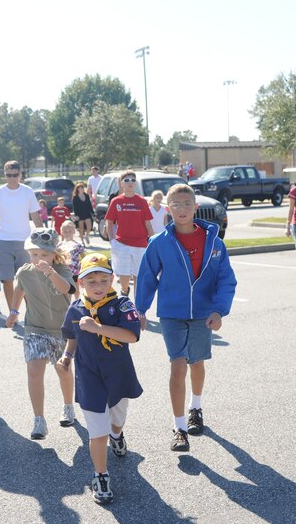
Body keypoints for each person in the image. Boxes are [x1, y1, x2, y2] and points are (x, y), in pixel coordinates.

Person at [135, 184, 237, 452]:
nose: (181, 209)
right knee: (178, 365)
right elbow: (147, 277)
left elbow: (226, 280)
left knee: (197, 363)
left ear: (195, 207)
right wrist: (141, 309)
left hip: (203, 314)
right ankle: (179, 428)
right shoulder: (159, 243)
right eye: (176, 205)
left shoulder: (214, 243)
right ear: (168, 209)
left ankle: (196, 407)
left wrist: (219, 310)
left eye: (186, 204)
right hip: (172, 314)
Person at [58, 253, 143, 505]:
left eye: (103, 280)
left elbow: (131, 336)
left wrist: (98, 328)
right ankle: (101, 475)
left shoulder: (122, 304)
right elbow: (72, 336)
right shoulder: (75, 308)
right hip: (89, 378)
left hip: (118, 375)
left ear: (112, 279)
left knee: (116, 421)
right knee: (97, 432)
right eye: (91, 281)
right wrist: (66, 356)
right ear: (81, 283)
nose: (98, 286)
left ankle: (118, 435)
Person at [5, 228, 77, 439]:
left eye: (44, 254)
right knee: (34, 372)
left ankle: (68, 406)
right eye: (34, 254)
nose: (39, 259)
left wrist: (50, 272)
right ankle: (39, 420)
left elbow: (66, 289)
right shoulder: (24, 272)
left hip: (61, 330)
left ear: (54, 254)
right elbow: (20, 289)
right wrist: (14, 312)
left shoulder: (62, 270)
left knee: (63, 370)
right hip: (35, 329)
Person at [0, 160, 43, 316]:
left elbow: (36, 217)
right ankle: (13, 312)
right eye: (9, 175)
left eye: (15, 175)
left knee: (26, 279)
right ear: (5, 175)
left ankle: (30, 313)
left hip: (25, 241)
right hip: (3, 240)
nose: (12, 178)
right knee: (6, 279)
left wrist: (43, 239)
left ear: (20, 174)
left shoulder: (27, 192)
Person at [104, 169, 154, 297]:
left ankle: (138, 303)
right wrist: (112, 240)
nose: (130, 182)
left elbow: (147, 222)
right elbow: (109, 222)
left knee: (139, 274)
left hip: (141, 244)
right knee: (124, 275)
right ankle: (125, 292)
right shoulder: (116, 201)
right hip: (122, 244)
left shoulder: (142, 201)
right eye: (127, 180)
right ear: (121, 184)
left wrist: (153, 240)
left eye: (133, 180)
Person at [59, 220, 86, 296]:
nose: (67, 233)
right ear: (61, 232)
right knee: (66, 290)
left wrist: (84, 268)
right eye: (65, 231)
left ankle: (76, 303)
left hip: (74, 271)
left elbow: (84, 258)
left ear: (74, 232)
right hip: (63, 271)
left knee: (76, 290)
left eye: (70, 231)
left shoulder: (77, 245)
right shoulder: (59, 245)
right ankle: (67, 305)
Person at [71, 182, 95, 246]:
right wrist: (76, 216)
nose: (81, 188)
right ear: (77, 189)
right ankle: (82, 241)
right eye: (79, 187)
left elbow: (89, 205)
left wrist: (93, 213)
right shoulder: (75, 197)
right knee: (81, 229)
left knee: (89, 226)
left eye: (82, 187)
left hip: (87, 213)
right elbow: (75, 207)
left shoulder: (86, 196)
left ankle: (87, 235)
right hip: (79, 215)